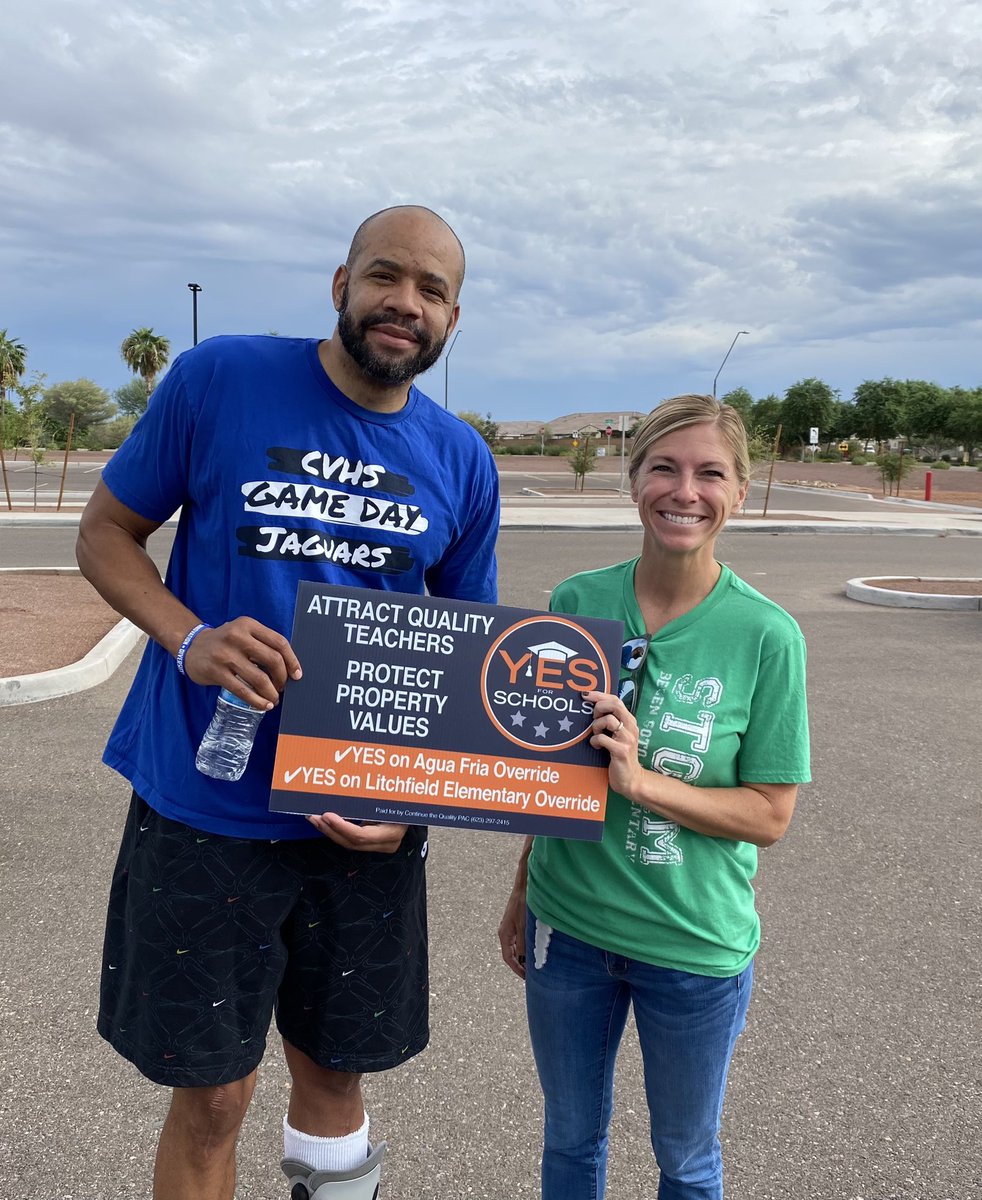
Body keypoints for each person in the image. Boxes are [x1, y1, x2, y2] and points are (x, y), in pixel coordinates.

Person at [77, 205, 499, 1200]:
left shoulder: (462, 459)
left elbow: (460, 670)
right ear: (340, 284)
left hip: (359, 819)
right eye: (386, 276)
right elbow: (104, 535)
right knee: (213, 1096)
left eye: (431, 290)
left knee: (336, 1075)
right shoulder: (220, 379)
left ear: (453, 316)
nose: (405, 304)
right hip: (205, 809)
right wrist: (191, 639)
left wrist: (411, 807)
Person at [498, 394, 810, 1200]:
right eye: (664, 468)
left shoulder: (765, 634)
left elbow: (769, 816)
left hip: (693, 949)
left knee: (687, 1160)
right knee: (570, 1143)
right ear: (633, 479)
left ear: (739, 493)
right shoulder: (578, 603)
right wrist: (522, 890)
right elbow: (554, 769)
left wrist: (643, 784)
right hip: (570, 934)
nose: (685, 491)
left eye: (711, 473)